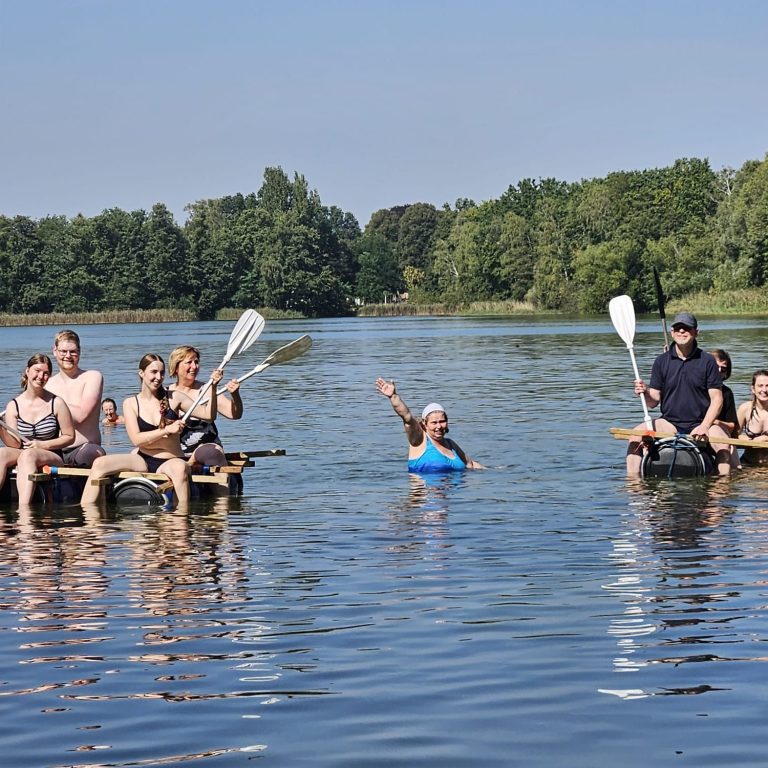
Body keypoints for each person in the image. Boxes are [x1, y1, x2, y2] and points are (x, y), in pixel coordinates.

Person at [81, 354, 222, 508]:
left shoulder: (174, 397)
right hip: (143, 458)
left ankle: (182, 521)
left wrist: (213, 387)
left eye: (162, 373)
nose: (158, 377)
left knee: (180, 468)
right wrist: (166, 430)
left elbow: (209, 415)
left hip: (171, 460)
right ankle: (88, 519)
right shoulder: (131, 403)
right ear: (141, 373)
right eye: (153, 372)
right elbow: (137, 440)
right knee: (99, 464)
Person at [626, 312, 731, 476]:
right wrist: (644, 391)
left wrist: (704, 426)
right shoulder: (661, 361)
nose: (682, 332)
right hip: (669, 422)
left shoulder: (708, 361)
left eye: (686, 328)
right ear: (672, 332)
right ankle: (634, 485)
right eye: (678, 328)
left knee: (723, 446)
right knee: (634, 437)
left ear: (696, 332)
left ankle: (720, 490)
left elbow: (717, 399)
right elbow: (653, 402)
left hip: (700, 422)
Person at [0, 354, 75, 505]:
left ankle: (24, 513)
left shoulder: (57, 403)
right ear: (27, 371)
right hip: (23, 451)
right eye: (37, 371)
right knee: (1, 453)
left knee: (28, 455)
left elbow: (69, 437)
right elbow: (14, 444)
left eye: (46, 373)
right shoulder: (13, 405)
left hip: (52, 454)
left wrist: (42, 445)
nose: (41, 376)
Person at [375, 377, 484, 471]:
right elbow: (406, 417)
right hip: (424, 494)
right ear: (424, 425)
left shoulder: (451, 445)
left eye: (442, 421)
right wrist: (393, 396)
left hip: (453, 494)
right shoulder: (419, 440)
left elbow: (471, 464)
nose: (439, 426)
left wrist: (496, 474)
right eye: (434, 423)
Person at [168, 345, 243, 466]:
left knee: (212, 454)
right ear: (176, 367)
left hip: (206, 448)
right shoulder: (167, 393)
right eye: (189, 362)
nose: (194, 366)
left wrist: (235, 395)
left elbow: (235, 414)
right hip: (176, 451)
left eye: (196, 362)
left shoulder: (207, 389)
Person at [47, 330, 105, 467]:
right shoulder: (47, 384)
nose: (68, 356)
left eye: (73, 351)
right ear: (55, 351)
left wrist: (46, 399)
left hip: (84, 448)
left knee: (91, 453)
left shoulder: (92, 377)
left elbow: (81, 415)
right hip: (54, 450)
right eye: (63, 351)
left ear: (79, 352)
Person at [736, 369, 768, 466]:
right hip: (748, 464)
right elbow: (732, 436)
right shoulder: (745, 409)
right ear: (753, 389)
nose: (764, 390)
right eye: (760, 386)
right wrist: (748, 440)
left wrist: (766, 439)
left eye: (767, 386)